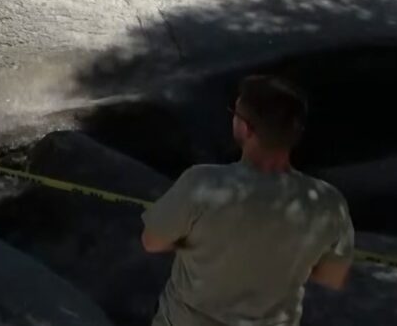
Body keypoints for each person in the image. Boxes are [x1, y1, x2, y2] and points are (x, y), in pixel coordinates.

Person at [141, 75, 354, 326]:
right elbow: (333, 276)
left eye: (235, 113)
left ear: (246, 128)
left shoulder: (201, 183)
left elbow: (152, 242)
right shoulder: (329, 202)